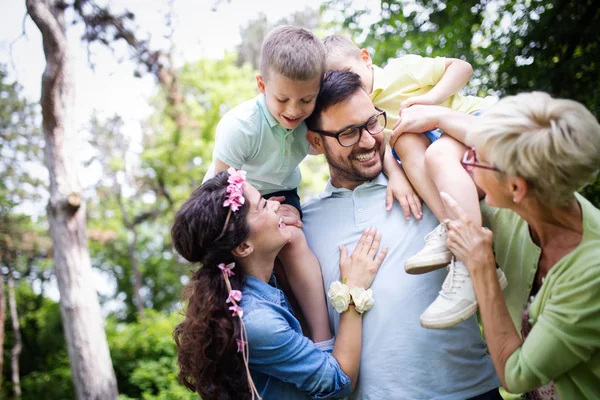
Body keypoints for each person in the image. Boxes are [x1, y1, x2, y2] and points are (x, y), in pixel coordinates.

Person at [303, 70, 501, 399]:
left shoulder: (426, 179)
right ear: (316, 141)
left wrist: (438, 115)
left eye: (371, 123)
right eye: (349, 133)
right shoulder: (303, 228)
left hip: (472, 391)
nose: (368, 140)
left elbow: (515, 154)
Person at [395, 92, 600, 399]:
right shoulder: (544, 190)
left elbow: (516, 376)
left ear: (516, 187)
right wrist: (437, 116)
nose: (469, 164)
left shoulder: (591, 274)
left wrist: (481, 267)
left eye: (476, 158)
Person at [321, 34, 504, 328]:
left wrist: (431, 102)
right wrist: (396, 176)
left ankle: (474, 259)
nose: (348, 85)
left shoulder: (400, 72)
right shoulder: (363, 109)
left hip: (471, 121)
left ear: (365, 58)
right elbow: (389, 148)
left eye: (350, 74)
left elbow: (461, 67)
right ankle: (450, 229)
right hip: (439, 142)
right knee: (403, 142)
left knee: (438, 156)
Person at [172, 169, 388, 400]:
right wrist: (353, 290)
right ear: (243, 247)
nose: (275, 205)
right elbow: (339, 381)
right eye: (263, 206)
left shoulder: (270, 280)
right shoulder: (257, 322)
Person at [202, 25, 332, 342]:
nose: (293, 110)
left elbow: (328, 143)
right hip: (235, 198)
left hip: (283, 192)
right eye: (282, 98)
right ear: (262, 85)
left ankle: (320, 334)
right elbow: (221, 187)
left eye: (306, 99)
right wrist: (259, 214)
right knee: (253, 256)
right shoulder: (242, 126)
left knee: (294, 242)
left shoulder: (312, 120)